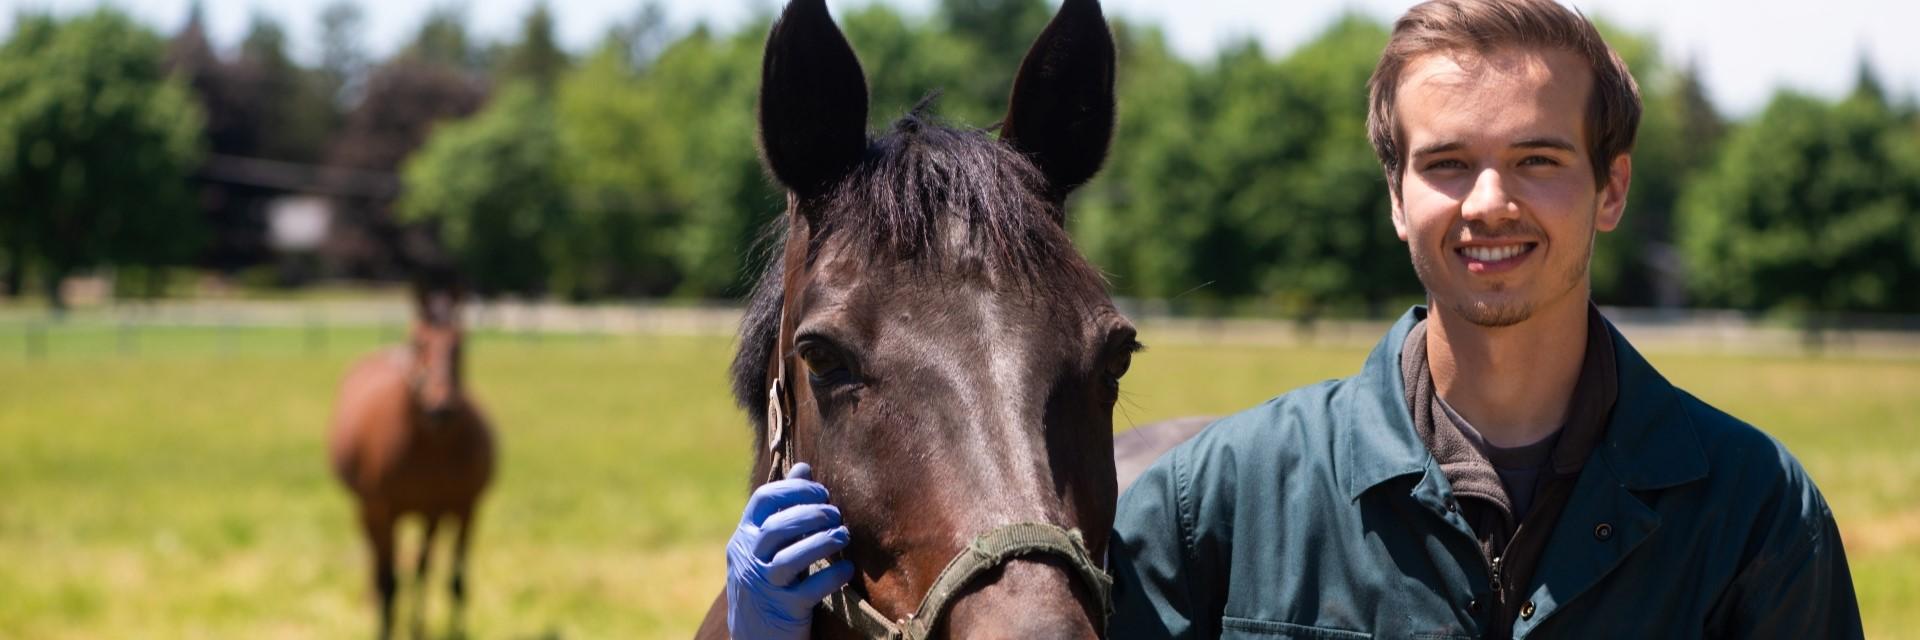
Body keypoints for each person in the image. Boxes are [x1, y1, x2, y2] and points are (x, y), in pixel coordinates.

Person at [728, 0, 1864, 637]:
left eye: (1538, 159)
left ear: (1612, 188)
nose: (1490, 202)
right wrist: (759, 629)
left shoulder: (1756, 514)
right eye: (1447, 161)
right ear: (1393, 192)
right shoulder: (1207, 506)